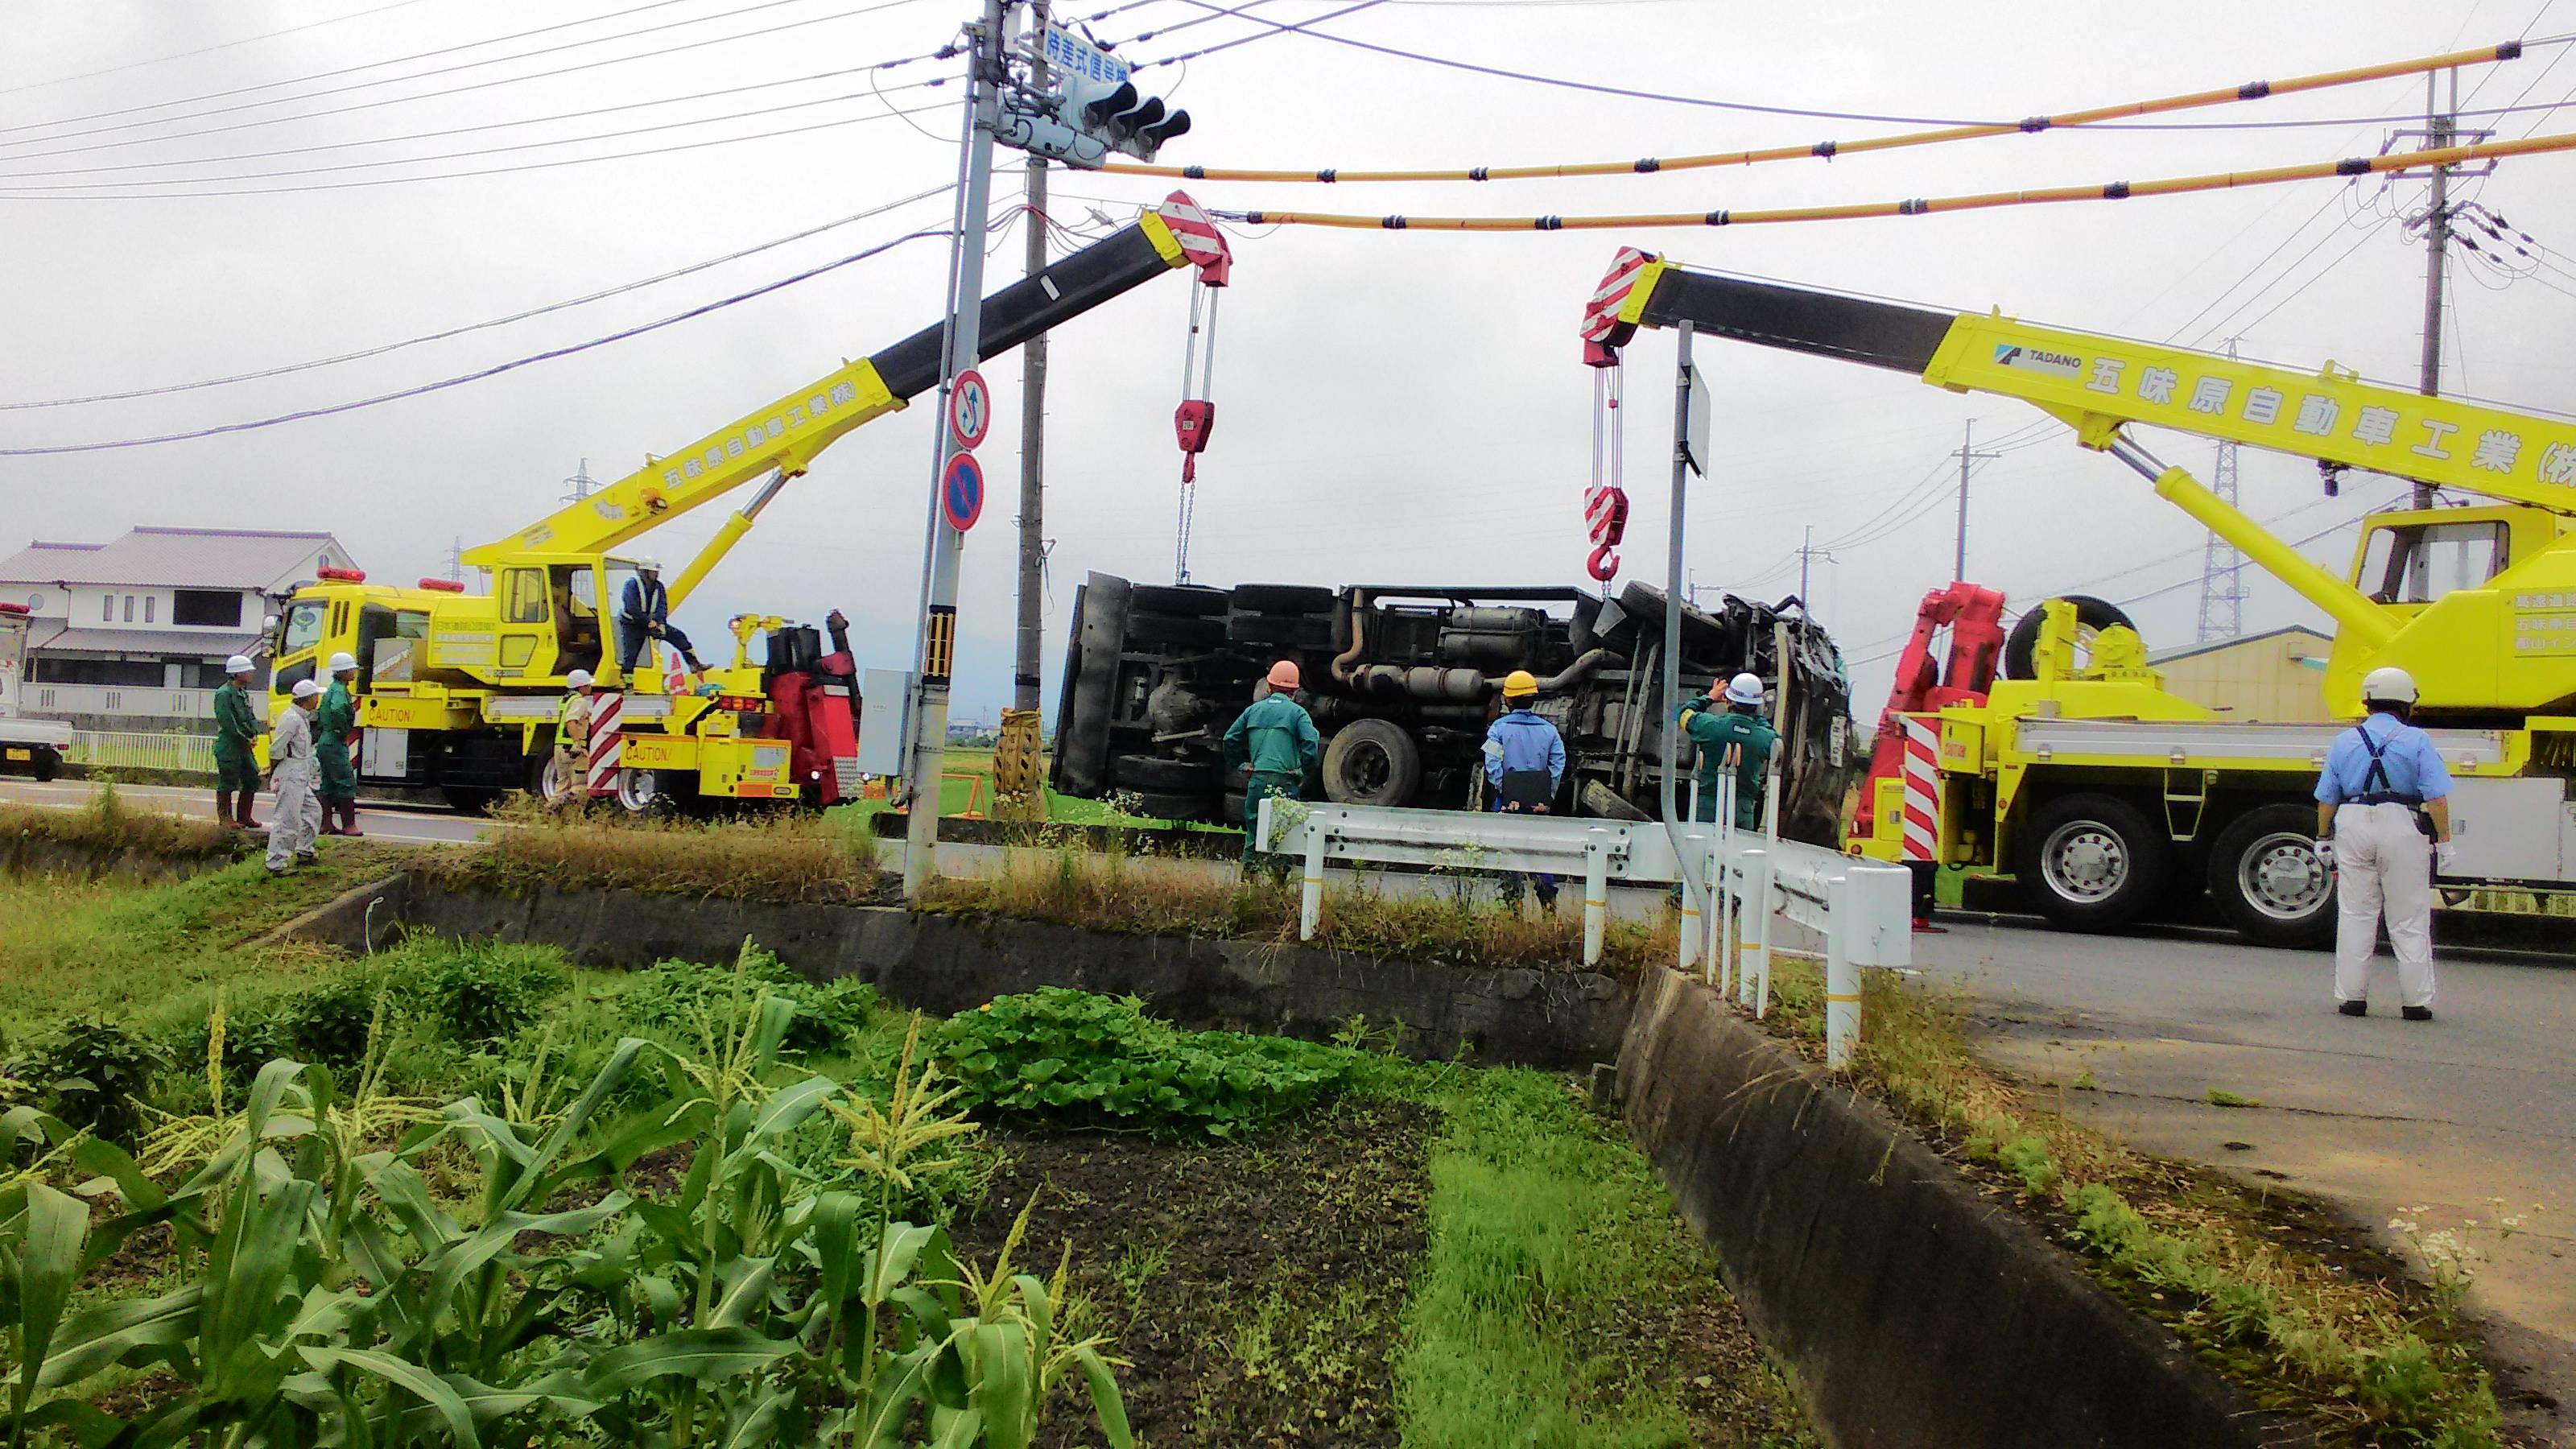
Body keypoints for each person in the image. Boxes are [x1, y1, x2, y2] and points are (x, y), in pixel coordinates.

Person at [2314, 666, 2454, 1021]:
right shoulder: (2417, 740)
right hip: (2401, 823)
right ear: (2407, 702)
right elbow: (2436, 799)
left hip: (2353, 821)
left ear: (2367, 702)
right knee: (2409, 917)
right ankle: (2415, 1003)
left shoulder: (2344, 741)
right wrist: (2445, 841)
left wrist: (2323, 838)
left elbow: (2327, 798)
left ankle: (2352, 998)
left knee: (2356, 914)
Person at [1224, 660, 1322, 877]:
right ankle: (1279, 884)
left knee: (1254, 830)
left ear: (1269, 686)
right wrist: (1304, 771)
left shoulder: (1252, 711)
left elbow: (1230, 739)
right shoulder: (1298, 714)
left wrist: (1240, 764)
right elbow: (1311, 744)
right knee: (1283, 832)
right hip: (1285, 780)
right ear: (1295, 691)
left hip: (1258, 780)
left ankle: (1248, 881)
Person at [1484, 669, 1567, 910]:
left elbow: (1492, 764)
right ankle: (1548, 904)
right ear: (1533, 699)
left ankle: (1514, 905)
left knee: (1506, 851)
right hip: (1538, 805)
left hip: (1507, 803)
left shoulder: (1497, 729)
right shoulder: (1549, 731)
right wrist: (1546, 797)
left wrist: (1508, 793)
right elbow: (1558, 765)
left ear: (1508, 700)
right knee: (1539, 852)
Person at [1678, 672, 1779, 829]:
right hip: (1742, 812)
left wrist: (1709, 697)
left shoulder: (1709, 726)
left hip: (1706, 808)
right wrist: (1758, 716)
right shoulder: (1765, 738)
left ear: (1729, 701)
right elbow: (1777, 743)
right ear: (1756, 705)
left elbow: (1684, 714)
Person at [265, 679, 324, 876]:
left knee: (313, 811)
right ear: (308, 698)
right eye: (316, 696)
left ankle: (304, 850)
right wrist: (274, 771)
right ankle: (276, 863)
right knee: (287, 819)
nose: (318, 699)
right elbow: (276, 749)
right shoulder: (292, 719)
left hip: (299, 774)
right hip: (291, 773)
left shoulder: (301, 717)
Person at [618, 557, 708, 678]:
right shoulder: (631, 585)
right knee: (631, 655)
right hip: (632, 624)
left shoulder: (659, 586)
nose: (656, 574)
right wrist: (647, 622)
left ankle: (694, 664)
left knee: (679, 637)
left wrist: (660, 623)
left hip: (653, 623)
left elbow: (662, 606)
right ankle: (628, 682)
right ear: (645, 572)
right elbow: (632, 607)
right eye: (654, 571)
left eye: (657, 571)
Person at [315, 652, 362, 837]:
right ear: (342, 672)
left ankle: (326, 824)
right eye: (351, 670)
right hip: (335, 742)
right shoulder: (340, 691)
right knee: (345, 782)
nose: (353, 673)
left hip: (326, 741)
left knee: (328, 783)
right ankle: (349, 825)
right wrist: (342, 730)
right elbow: (336, 710)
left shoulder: (333, 689)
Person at [212, 654, 262, 830]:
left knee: (252, 777)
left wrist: (254, 733)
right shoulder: (224, 694)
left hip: (244, 745)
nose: (251, 674)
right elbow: (227, 722)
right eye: (248, 671)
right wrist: (244, 738)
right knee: (228, 780)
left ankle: (244, 816)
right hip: (230, 745)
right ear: (237, 673)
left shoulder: (242, 693)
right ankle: (225, 818)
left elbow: (250, 717)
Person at [557, 668, 597, 806]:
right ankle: (560, 806)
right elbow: (571, 722)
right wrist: (578, 744)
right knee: (580, 785)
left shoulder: (565, 700)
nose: (590, 687)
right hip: (572, 749)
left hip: (560, 747)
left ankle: (550, 812)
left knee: (562, 785)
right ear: (581, 687)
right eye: (588, 685)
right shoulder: (579, 701)